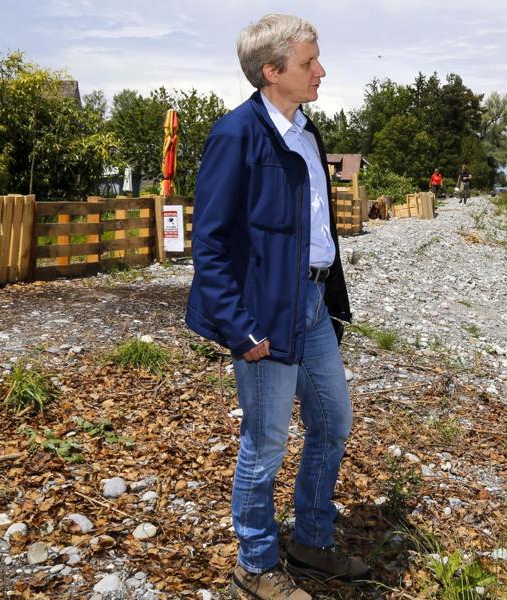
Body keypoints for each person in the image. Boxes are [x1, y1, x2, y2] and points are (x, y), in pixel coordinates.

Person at [185, 14, 369, 600]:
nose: (321, 69)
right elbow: (209, 244)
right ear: (272, 71)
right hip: (265, 311)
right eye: (310, 61)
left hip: (312, 303)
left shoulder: (307, 132)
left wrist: (330, 299)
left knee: (332, 421)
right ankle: (256, 564)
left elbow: (314, 230)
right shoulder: (237, 135)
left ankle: (311, 540)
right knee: (264, 444)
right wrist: (238, 327)